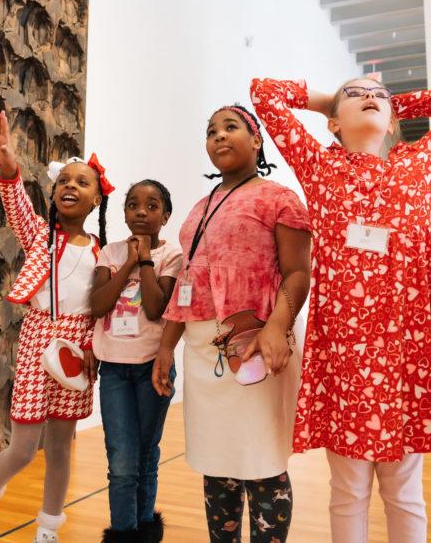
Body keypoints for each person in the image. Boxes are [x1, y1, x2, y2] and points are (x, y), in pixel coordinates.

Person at [251, 76, 431, 542]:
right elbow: (265, 95)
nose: (370, 98)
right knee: (349, 490)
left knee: (404, 491)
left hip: (404, 351)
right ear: (334, 123)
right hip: (346, 352)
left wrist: (389, 100)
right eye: (356, 95)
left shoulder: (423, 160)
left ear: (395, 120)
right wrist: (326, 103)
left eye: (378, 96)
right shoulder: (319, 166)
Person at [153, 104, 312, 543]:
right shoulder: (200, 207)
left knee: (261, 463)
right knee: (217, 463)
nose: (219, 136)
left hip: (255, 345)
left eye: (231, 127)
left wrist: (277, 328)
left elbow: (298, 272)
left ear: (256, 139)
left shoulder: (279, 197)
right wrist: (167, 346)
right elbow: (189, 279)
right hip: (204, 353)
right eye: (211, 131)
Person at [0, 110, 113, 542]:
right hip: (38, 340)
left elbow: (100, 308)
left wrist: (93, 351)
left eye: (82, 182)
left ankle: (49, 528)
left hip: (80, 346)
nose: (71, 186)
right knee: (25, 446)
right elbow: (15, 203)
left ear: (96, 199)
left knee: (62, 446)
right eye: (64, 180)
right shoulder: (41, 237)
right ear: (54, 192)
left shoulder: (103, 252)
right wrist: (9, 165)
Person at [90, 179, 183, 542]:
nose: (142, 212)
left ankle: (145, 529)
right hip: (114, 369)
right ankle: (124, 533)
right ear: (124, 212)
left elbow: (158, 305)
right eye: (133, 205)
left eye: (152, 205)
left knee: (146, 455)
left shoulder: (171, 256)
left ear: (166, 215)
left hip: (151, 368)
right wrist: (129, 259)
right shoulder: (110, 254)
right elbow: (98, 305)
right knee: (121, 460)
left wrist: (145, 260)